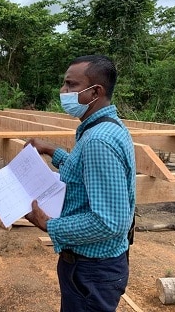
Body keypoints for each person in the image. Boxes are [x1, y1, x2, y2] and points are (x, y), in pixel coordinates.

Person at [25, 55, 136, 312]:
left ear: (95, 91)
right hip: (96, 268)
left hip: (91, 270)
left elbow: (110, 221)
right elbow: (84, 172)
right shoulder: (104, 127)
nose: (63, 92)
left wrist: (49, 224)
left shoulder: (98, 141)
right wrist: (53, 151)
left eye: (71, 85)